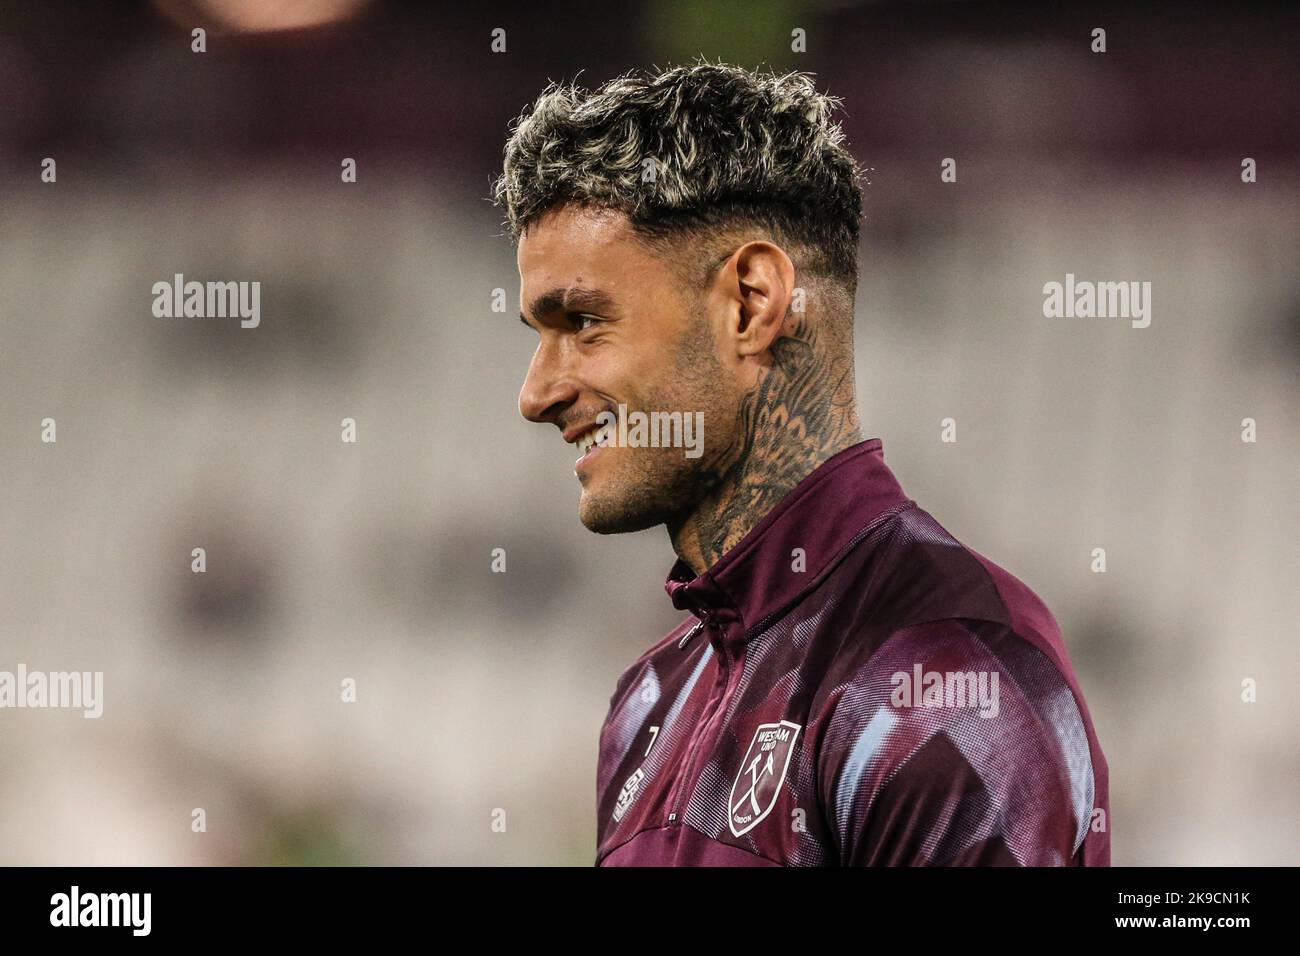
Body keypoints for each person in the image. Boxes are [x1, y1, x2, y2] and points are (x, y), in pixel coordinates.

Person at [494, 62, 1109, 866]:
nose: (536, 395)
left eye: (582, 322)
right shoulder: (647, 702)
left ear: (751, 302)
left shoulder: (943, 677)